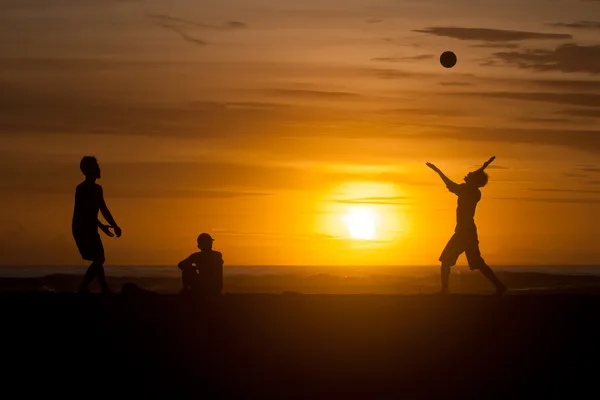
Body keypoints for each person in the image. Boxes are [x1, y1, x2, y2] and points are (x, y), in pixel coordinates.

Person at [426, 156, 507, 295]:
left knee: (446, 259)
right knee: (477, 262)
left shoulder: (466, 191)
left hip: (464, 232)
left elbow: (449, 183)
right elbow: (475, 176)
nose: (467, 174)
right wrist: (484, 165)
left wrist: (438, 171)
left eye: (470, 175)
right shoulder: (474, 191)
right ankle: (499, 286)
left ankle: (445, 290)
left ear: (474, 181)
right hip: (468, 231)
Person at [72, 156, 122, 294]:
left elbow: (103, 209)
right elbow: (84, 213)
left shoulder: (98, 189)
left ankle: (97, 288)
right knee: (99, 258)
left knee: (98, 258)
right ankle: (97, 288)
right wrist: (102, 226)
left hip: (90, 226)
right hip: (81, 227)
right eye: (96, 167)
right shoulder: (81, 189)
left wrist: (113, 225)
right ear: (90, 170)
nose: (99, 169)